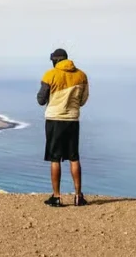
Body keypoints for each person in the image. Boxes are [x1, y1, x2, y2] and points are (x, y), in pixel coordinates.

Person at [37, 48, 89, 207]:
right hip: (73, 120)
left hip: (54, 120)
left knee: (55, 158)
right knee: (74, 157)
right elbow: (83, 100)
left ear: (55, 60)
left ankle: (57, 196)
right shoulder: (81, 75)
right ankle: (78, 196)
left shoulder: (50, 75)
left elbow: (40, 99)